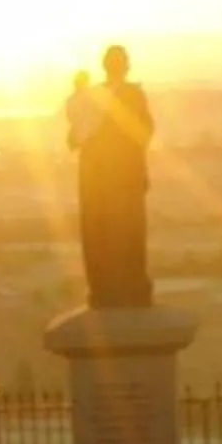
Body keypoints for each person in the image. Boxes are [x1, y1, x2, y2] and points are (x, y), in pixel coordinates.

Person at [67, 45, 154, 308]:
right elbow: (144, 131)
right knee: (122, 232)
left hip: (100, 177)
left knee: (101, 233)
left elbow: (74, 133)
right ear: (125, 66)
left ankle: (104, 288)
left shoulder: (91, 97)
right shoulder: (128, 94)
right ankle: (125, 287)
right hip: (120, 176)